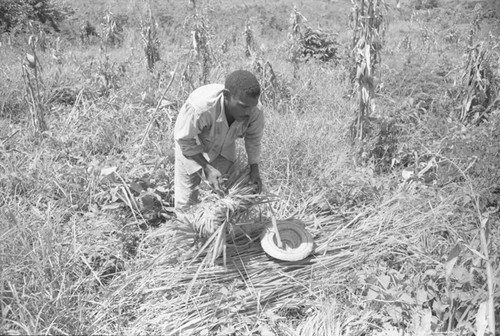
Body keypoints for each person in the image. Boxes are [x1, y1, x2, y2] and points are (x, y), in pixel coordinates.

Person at [173, 70, 264, 211]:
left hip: (223, 146)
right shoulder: (200, 107)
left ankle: (218, 230)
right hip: (192, 144)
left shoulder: (254, 110)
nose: (248, 112)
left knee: (224, 198)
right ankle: (185, 228)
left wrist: (254, 168)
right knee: (186, 202)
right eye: (243, 106)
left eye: (251, 107)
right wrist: (207, 168)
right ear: (226, 95)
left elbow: (253, 139)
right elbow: (185, 140)